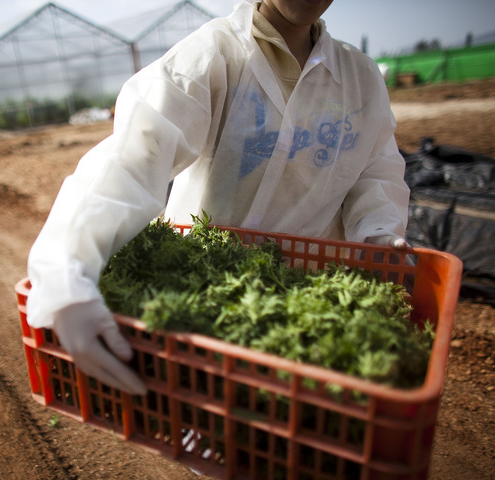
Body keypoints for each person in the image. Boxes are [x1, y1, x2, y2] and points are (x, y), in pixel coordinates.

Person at [26, 0, 410, 395]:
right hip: (203, 293)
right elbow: (133, 158)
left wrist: (379, 230)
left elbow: (375, 167)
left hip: (305, 294)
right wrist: (66, 273)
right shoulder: (214, 55)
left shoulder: (359, 76)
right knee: (213, 415)